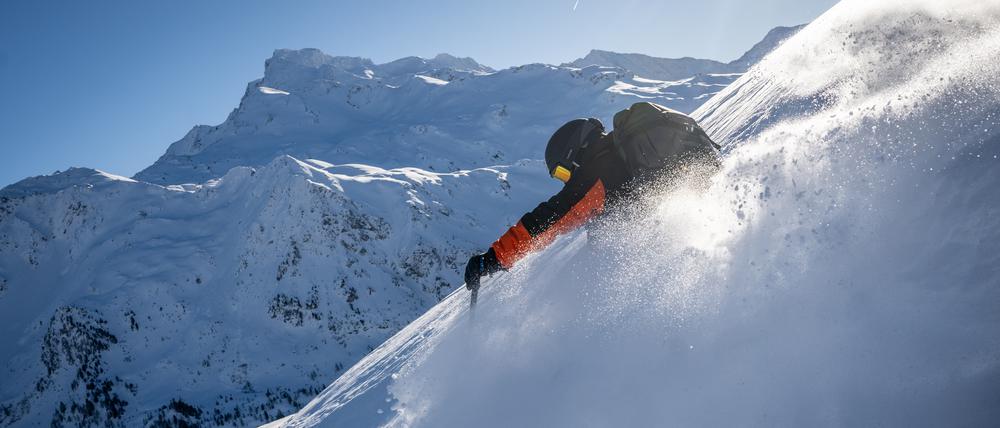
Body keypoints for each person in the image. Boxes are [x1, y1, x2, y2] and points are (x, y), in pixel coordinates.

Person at [464, 102, 719, 291]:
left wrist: (494, 258)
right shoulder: (617, 155)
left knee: (600, 233)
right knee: (601, 226)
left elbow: (548, 219)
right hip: (691, 189)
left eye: (564, 172)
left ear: (575, 153)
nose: (568, 180)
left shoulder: (595, 173)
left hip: (666, 212)